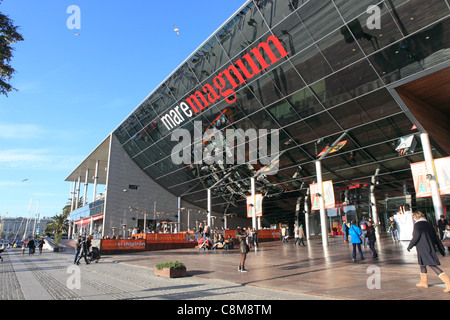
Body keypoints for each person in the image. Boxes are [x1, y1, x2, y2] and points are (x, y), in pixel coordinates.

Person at [407, 211, 449, 293]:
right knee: (422, 264)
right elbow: (435, 236)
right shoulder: (428, 224)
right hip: (429, 246)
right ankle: (423, 282)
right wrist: (440, 247)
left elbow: (416, 237)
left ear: (416, 217)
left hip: (423, 248)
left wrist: (410, 246)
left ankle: (448, 282)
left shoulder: (417, 225)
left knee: (432, 265)